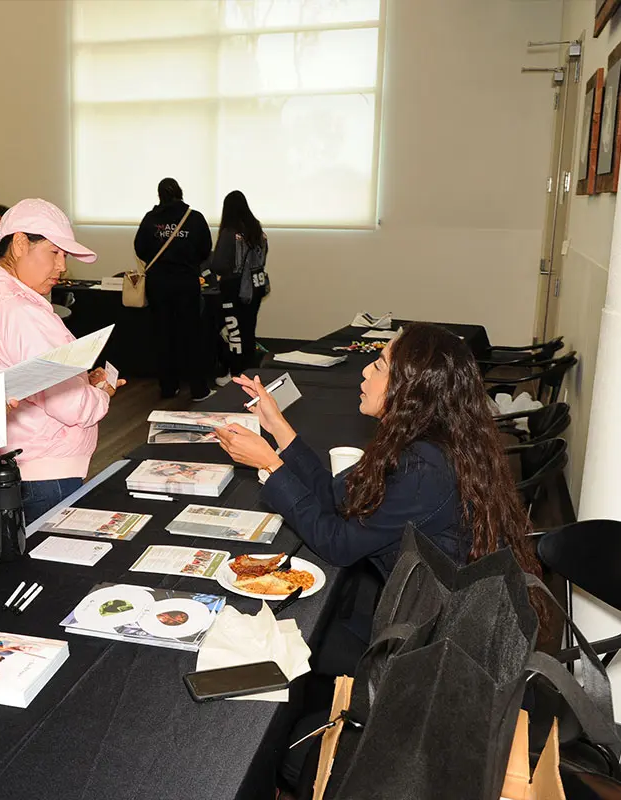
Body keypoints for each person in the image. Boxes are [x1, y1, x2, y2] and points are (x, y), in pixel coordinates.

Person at [215, 323, 541, 582]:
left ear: (410, 388)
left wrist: (270, 466)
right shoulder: (421, 437)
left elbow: (338, 545)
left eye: (379, 366)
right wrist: (278, 427)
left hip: (435, 623)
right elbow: (335, 496)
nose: (365, 372)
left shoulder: (426, 467)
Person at [0, 198, 124, 523]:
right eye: (55, 252)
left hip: (15, 459)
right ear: (21, 242)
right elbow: (70, 405)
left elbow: (31, 375)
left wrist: (78, 379)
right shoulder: (19, 310)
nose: (62, 265)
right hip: (45, 471)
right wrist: (101, 393)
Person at [133, 178, 213, 400]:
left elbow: (140, 249)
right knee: (191, 336)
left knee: (163, 335)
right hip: (186, 284)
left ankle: (168, 387)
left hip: (158, 285)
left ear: (159, 195)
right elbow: (205, 249)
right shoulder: (194, 218)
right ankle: (198, 389)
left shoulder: (150, 220)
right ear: (180, 193)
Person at [209, 191, 270, 382]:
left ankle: (235, 374)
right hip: (255, 287)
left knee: (233, 331)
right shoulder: (257, 230)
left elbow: (218, 264)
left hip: (234, 288)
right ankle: (250, 372)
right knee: (248, 330)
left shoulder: (229, 233)